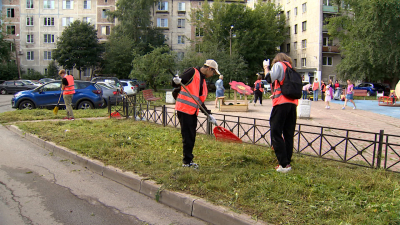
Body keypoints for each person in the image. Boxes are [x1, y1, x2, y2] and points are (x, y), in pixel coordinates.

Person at [172, 59, 219, 168]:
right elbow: (177, 82)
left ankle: (189, 160)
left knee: (191, 136)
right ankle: (187, 162)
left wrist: (208, 114)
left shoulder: (202, 80)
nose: (212, 75)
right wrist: (175, 81)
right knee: (188, 136)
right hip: (184, 109)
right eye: (213, 72)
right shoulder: (192, 72)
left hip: (192, 111)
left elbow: (199, 101)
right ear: (209, 68)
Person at [264, 53, 298, 173]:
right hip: (293, 104)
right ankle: (287, 161)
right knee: (288, 134)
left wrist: (266, 68)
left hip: (281, 104)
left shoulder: (279, 65)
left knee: (276, 132)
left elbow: (269, 78)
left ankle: (283, 165)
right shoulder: (291, 68)